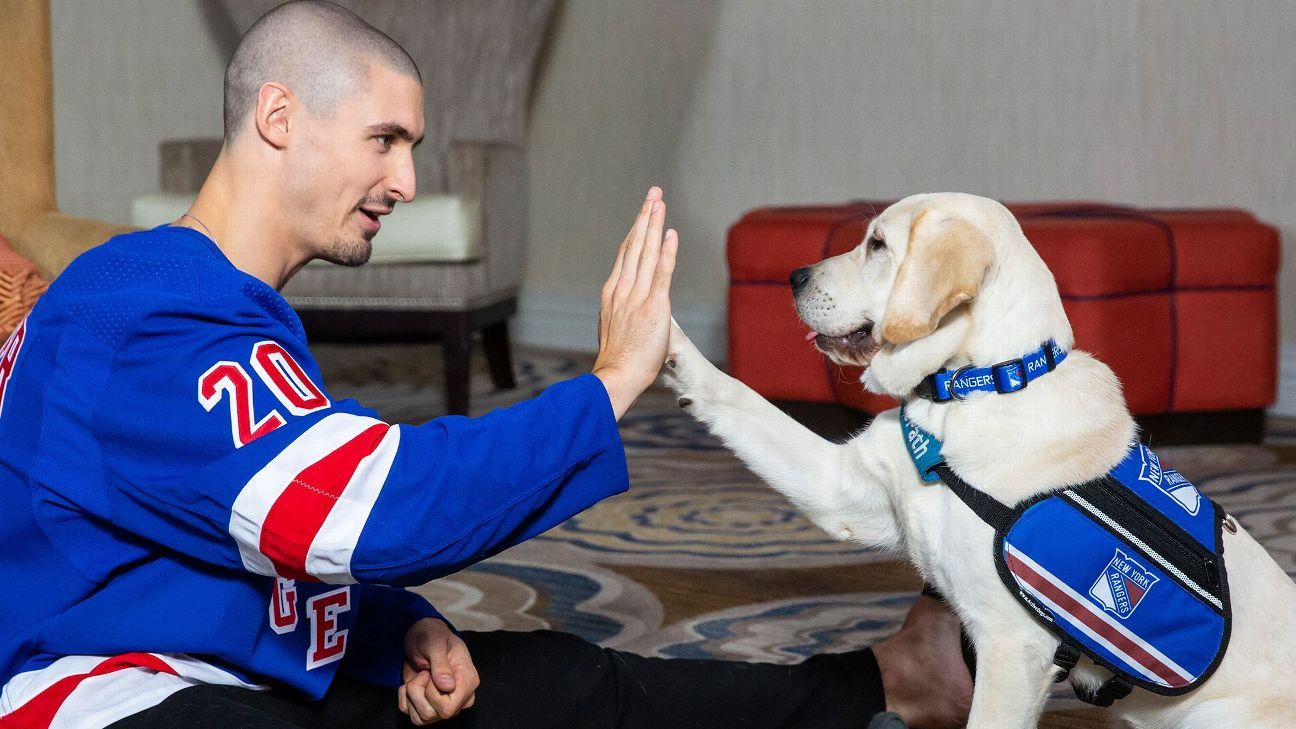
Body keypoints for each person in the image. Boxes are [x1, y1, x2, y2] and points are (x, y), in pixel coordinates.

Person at [0, 2, 972, 728]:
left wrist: (400, 628)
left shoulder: (219, 306)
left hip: (222, 656)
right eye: (384, 140)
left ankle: (891, 679)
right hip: (102, 685)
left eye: (412, 148)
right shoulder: (145, 309)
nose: (407, 182)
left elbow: (253, 541)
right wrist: (609, 384)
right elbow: (383, 510)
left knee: (559, 679)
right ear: (280, 116)